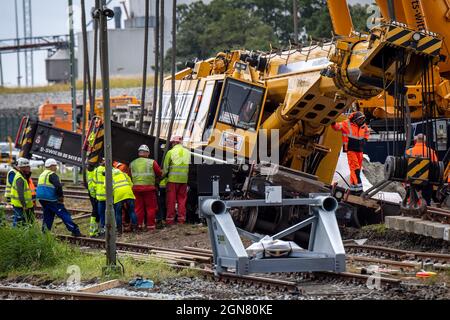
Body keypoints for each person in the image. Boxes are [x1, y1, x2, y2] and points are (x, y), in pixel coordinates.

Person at [36, 158, 82, 236]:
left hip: (42, 199)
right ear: (51, 166)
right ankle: (75, 231)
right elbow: (58, 186)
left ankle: (45, 232)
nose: (56, 167)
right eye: (55, 166)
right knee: (64, 214)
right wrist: (61, 197)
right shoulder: (52, 175)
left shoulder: (42, 174)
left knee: (48, 215)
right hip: (52, 199)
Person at [332, 111, 370, 194]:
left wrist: (365, 139)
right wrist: (332, 121)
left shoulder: (363, 126)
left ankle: (353, 189)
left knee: (357, 170)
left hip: (359, 151)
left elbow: (367, 132)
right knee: (355, 169)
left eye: (362, 119)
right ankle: (359, 189)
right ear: (355, 120)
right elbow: (337, 127)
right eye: (360, 119)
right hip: (351, 150)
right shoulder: (346, 124)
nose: (361, 121)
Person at [129, 144, 162, 231]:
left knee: (138, 208)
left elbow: (130, 175)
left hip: (136, 189)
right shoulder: (152, 162)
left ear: (139, 153)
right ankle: (150, 226)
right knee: (151, 208)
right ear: (147, 153)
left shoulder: (132, 163)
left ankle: (139, 225)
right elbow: (159, 173)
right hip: (149, 189)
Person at [163, 136, 190, 225]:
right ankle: (181, 219)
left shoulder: (170, 152)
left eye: (172, 143)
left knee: (171, 200)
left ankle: (170, 220)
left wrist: (161, 177)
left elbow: (165, 169)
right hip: (183, 180)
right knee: (182, 200)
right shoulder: (187, 152)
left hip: (172, 180)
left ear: (174, 143)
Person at [405, 134, 438, 205]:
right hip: (427, 180)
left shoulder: (409, 151)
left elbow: (405, 165)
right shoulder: (431, 152)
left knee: (412, 199)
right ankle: (425, 209)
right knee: (426, 200)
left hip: (412, 179)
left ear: (416, 141)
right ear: (425, 141)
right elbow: (436, 166)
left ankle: (413, 208)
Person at [112, 168, 138, 234]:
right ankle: (135, 229)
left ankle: (119, 230)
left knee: (118, 213)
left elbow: (106, 187)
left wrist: (114, 194)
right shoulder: (124, 174)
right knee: (132, 211)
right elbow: (131, 184)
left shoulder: (110, 176)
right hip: (128, 193)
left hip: (118, 194)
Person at [10, 158, 35, 226]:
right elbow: (20, 193)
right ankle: (15, 234)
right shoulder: (20, 178)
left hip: (23, 205)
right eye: (27, 167)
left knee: (23, 222)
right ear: (22, 168)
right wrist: (24, 205)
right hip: (20, 205)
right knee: (19, 222)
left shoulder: (23, 176)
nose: (29, 168)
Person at [93, 159, 106, 235]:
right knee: (110, 213)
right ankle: (111, 228)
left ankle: (102, 229)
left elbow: (94, 183)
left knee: (101, 214)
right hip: (109, 196)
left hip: (99, 196)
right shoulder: (110, 169)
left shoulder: (96, 170)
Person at [86, 163, 99, 237]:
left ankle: (93, 231)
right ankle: (93, 231)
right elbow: (92, 187)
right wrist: (95, 197)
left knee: (95, 211)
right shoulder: (93, 172)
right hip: (94, 195)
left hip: (93, 194)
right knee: (95, 211)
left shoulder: (90, 172)